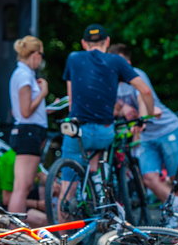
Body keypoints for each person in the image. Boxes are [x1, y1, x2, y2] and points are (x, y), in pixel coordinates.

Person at [60, 26, 154, 216]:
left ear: (84, 43)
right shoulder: (117, 61)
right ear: (108, 41)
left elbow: (71, 99)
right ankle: (99, 191)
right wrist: (147, 117)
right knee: (99, 152)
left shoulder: (74, 58)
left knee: (66, 189)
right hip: (104, 131)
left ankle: (63, 239)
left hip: (77, 129)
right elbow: (145, 91)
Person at [107, 43, 178, 204]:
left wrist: (142, 119)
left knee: (176, 179)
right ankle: (177, 211)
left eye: (120, 62)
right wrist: (122, 107)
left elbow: (142, 97)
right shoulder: (112, 82)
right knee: (149, 179)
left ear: (128, 63)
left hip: (167, 129)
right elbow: (112, 107)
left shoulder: (136, 75)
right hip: (146, 136)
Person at [7, 35, 48, 227]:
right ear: (33, 54)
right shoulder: (23, 75)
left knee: (24, 186)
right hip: (28, 131)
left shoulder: (24, 74)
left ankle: (15, 229)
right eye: (40, 55)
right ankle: (14, 230)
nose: (41, 59)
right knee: (22, 187)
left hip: (30, 130)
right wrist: (42, 94)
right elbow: (25, 111)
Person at [0, 149, 48, 227]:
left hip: (19, 201)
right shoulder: (11, 161)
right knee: (44, 220)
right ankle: (16, 234)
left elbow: (41, 176)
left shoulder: (28, 156)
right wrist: (37, 204)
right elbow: (6, 199)